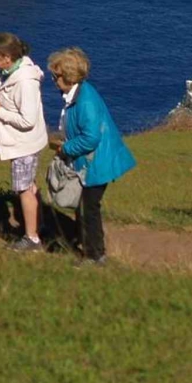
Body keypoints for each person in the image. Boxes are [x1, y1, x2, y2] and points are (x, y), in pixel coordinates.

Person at [47, 47, 136, 266]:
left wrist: (65, 149)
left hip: (96, 163)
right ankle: (94, 252)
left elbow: (90, 138)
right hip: (94, 161)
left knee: (88, 210)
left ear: (67, 76)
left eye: (55, 76)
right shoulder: (79, 93)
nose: (52, 80)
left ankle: (94, 255)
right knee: (87, 208)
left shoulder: (84, 101)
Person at [0, 32, 48, 252]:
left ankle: (32, 238)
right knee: (29, 185)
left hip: (24, 143)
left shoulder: (24, 81)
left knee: (24, 189)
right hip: (25, 142)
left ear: (7, 58)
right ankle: (38, 226)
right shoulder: (15, 73)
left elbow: (27, 120)